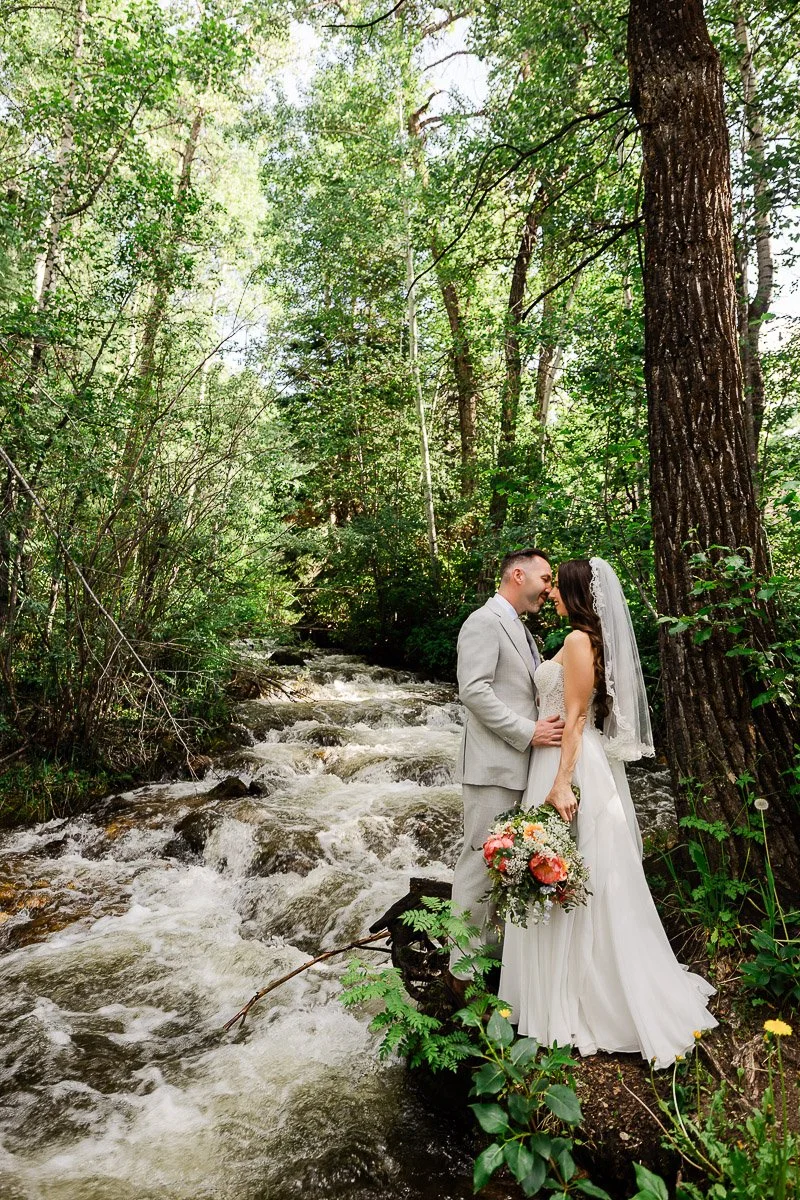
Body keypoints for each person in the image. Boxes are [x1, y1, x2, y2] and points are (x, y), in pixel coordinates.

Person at [499, 557, 718, 1069]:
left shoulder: (578, 641)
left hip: (568, 768)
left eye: (557, 585)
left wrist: (559, 784)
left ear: (576, 592)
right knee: (564, 870)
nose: (550, 591)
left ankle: (580, 999)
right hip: (557, 762)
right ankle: (553, 993)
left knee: (574, 873)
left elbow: (574, 720)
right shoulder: (580, 639)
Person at [446, 549, 564, 994]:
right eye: (545, 578)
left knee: (508, 863)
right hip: (494, 765)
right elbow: (472, 691)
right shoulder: (482, 621)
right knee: (479, 860)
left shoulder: (521, 628)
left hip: (523, 767)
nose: (549, 588)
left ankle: (494, 962)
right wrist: (527, 731)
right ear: (518, 574)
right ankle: (462, 971)